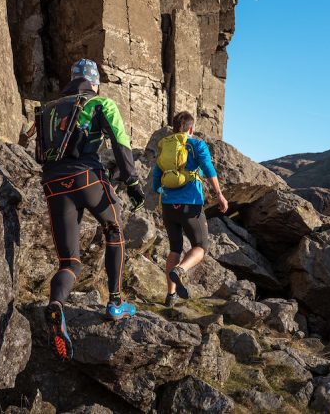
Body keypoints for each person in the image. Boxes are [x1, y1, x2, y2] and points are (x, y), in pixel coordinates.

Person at [38, 59, 145, 360]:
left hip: (53, 183)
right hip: (87, 177)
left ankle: (57, 305)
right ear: (95, 81)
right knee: (114, 230)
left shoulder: (50, 107)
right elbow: (120, 142)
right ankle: (115, 302)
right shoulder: (100, 103)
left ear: (72, 79)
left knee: (69, 261)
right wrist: (132, 181)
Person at [152, 111, 229, 308]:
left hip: (169, 205)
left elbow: (156, 177)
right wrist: (219, 194)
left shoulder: (165, 146)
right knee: (201, 247)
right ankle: (181, 271)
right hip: (190, 204)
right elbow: (209, 168)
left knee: (175, 249)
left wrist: (162, 191)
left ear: (174, 127)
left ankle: (170, 296)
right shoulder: (196, 145)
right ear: (191, 128)